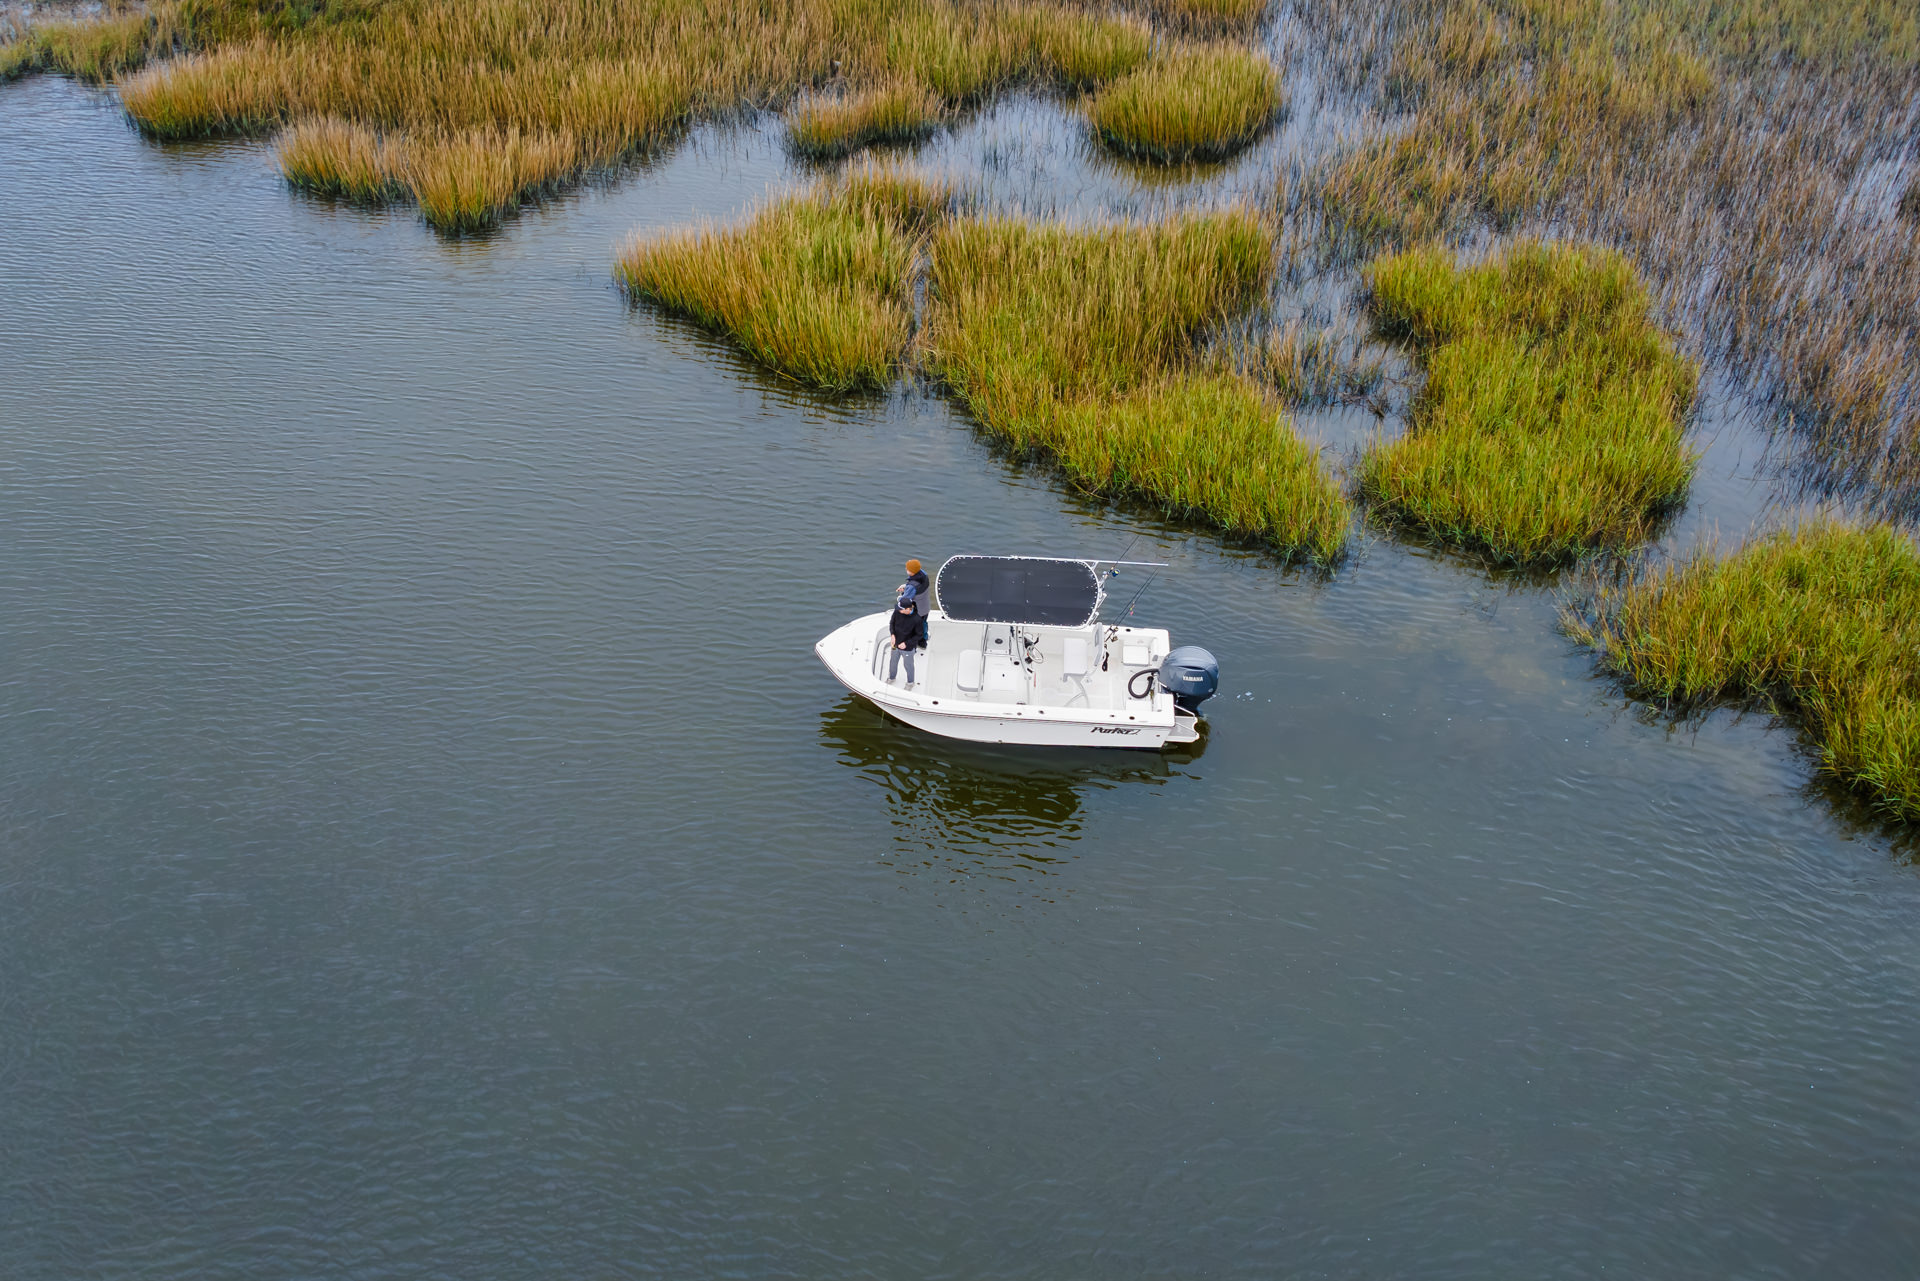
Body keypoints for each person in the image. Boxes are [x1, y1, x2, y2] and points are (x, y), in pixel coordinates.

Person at [887, 593, 927, 687]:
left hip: (908, 647)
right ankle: (891, 678)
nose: (898, 610)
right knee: (893, 662)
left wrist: (906, 643)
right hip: (895, 644)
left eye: (901, 609)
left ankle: (910, 683)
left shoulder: (917, 620)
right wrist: (892, 634)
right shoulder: (897, 612)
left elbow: (919, 635)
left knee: (908, 665)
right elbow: (892, 623)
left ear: (908, 609)